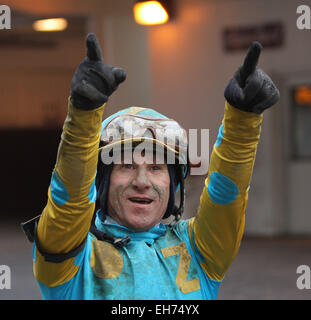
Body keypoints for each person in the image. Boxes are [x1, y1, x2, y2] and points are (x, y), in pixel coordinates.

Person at [22, 33, 280, 300]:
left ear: (174, 185)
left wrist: (242, 120)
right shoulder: (69, 255)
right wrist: (84, 113)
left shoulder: (199, 250)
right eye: (126, 166)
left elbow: (226, 195)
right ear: (101, 181)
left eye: (157, 168)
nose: (142, 181)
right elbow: (71, 199)